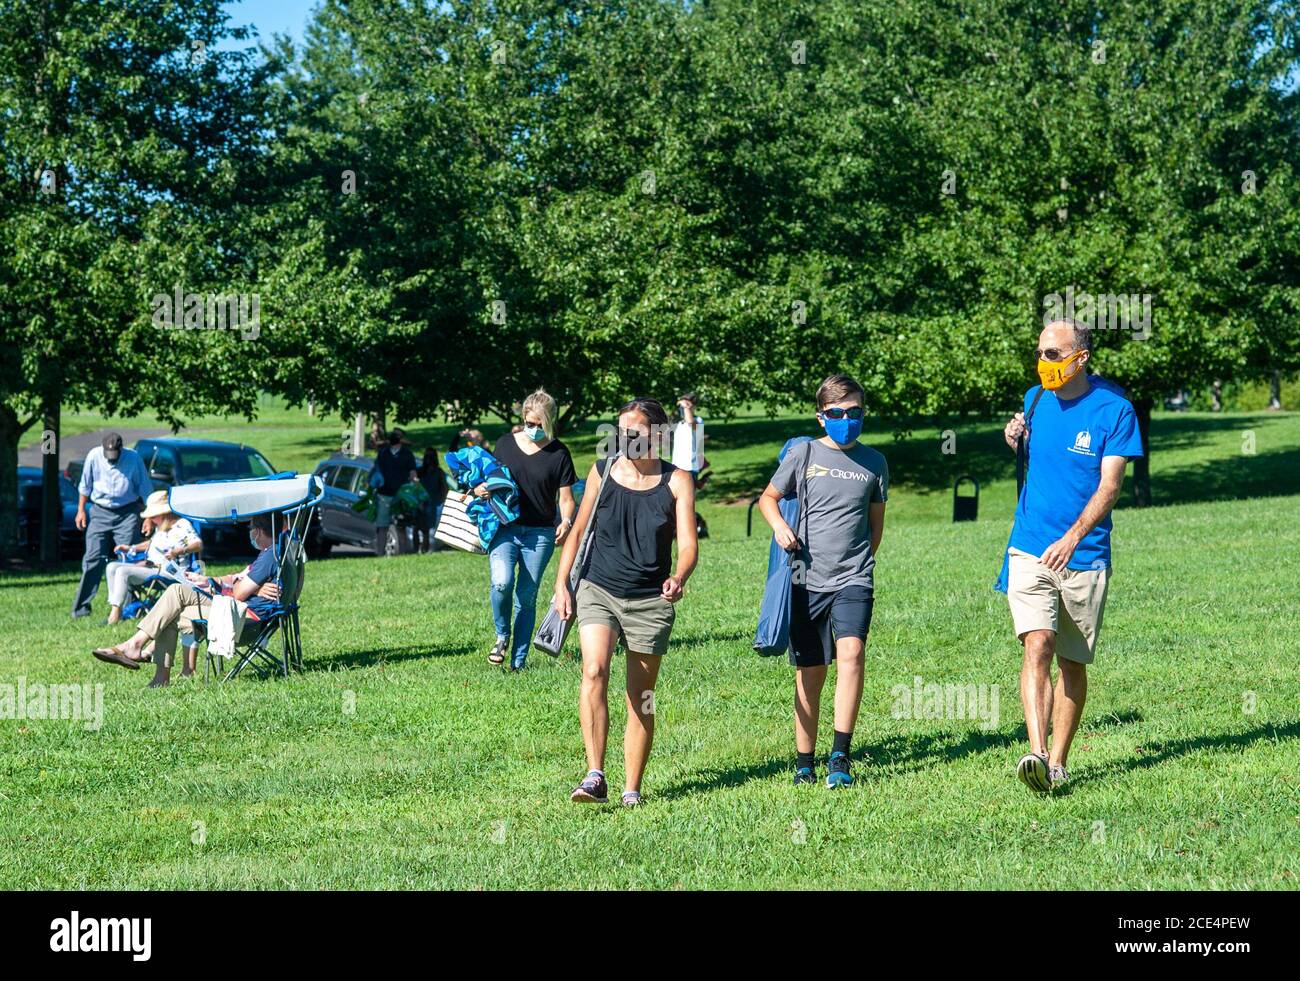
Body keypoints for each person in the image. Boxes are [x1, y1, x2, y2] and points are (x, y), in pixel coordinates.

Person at [1000, 319, 1144, 792]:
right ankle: (1037, 754)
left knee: (1071, 663)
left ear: (1081, 358)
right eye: (1041, 353)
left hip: (1084, 554)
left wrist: (1074, 537)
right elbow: (1035, 446)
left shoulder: (1115, 409)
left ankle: (1059, 761)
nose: (1045, 363)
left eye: (1055, 355)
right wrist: (1015, 436)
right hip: (1029, 544)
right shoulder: (1034, 399)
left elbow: (1110, 486)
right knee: (1036, 642)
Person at [552, 397, 697, 806]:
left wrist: (678, 576)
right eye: (621, 431)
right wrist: (562, 584)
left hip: (650, 599)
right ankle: (595, 774)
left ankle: (631, 788)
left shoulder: (677, 480)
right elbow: (578, 531)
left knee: (641, 695)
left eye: (634, 431)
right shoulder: (602, 471)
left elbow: (688, 544)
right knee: (594, 670)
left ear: (658, 435)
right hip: (598, 588)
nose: (625, 438)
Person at [758, 374, 888, 789]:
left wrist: (861, 565)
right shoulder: (804, 454)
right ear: (821, 417)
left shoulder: (875, 462)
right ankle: (803, 761)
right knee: (810, 673)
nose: (846, 419)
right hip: (805, 578)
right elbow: (768, 498)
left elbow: (875, 525)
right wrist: (780, 527)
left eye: (854, 412)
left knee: (852, 656)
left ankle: (840, 756)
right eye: (836, 413)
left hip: (854, 577)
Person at [91, 512, 282, 687]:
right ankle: (159, 677)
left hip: (244, 619)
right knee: (172, 611)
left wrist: (249, 590)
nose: (250, 533)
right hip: (240, 611)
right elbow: (238, 580)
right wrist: (211, 581)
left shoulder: (269, 557)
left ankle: (135, 646)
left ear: (257, 531)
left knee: (176, 591)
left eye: (250, 529)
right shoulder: (274, 553)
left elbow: (240, 593)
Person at [482, 389, 577, 670]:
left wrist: (566, 521)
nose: (532, 429)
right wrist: (481, 490)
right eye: (528, 423)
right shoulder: (505, 445)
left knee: (526, 596)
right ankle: (502, 635)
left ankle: (518, 662)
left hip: (540, 534)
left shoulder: (559, 453)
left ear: (549, 421)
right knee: (501, 582)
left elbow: (567, 499)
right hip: (505, 528)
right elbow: (491, 481)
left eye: (538, 424)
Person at [71, 433, 152, 620]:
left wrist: (148, 517)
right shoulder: (94, 456)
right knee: (93, 558)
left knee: (128, 560)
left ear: (121, 449)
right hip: (99, 512)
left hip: (128, 512)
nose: (112, 459)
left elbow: (146, 489)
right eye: (109, 454)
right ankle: (81, 608)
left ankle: (131, 608)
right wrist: (81, 510)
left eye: (115, 454)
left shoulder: (134, 459)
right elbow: (85, 486)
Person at [104, 490, 203, 624]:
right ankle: (116, 607)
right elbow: (153, 544)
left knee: (123, 571)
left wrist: (178, 551)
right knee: (112, 567)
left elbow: (198, 544)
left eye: (153, 515)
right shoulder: (161, 527)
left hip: (170, 572)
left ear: (163, 513)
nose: (151, 519)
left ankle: (115, 615)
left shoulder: (182, 525)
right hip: (151, 567)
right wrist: (131, 548)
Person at [372, 427, 418, 555]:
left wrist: (415, 486)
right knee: (382, 526)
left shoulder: (407, 454)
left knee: (401, 525)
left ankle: (402, 554)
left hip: (401, 496)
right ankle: (380, 554)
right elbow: (376, 471)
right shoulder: (383, 453)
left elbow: (413, 473)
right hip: (384, 495)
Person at [415, 447, 449, 553]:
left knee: (431, 528)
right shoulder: (420, 472)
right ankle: (422, 548)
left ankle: (430, 548)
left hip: (434, 504)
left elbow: (444, 489)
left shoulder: (438, 472)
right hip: (422, 503)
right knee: (421, 527)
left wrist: (440, 502)